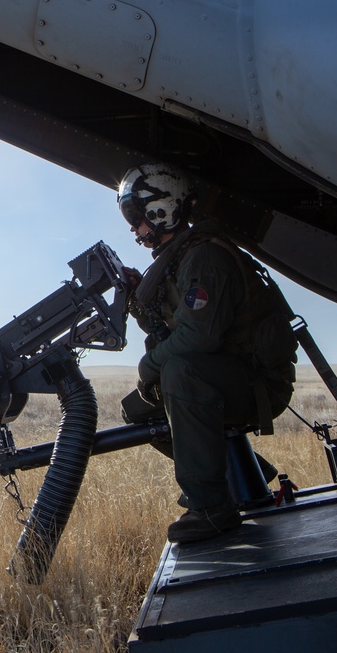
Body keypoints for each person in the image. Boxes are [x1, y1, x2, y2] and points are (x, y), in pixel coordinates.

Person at [116, 163, 298, 543]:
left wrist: (149, 365)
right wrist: (136, 300)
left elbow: (197, 340)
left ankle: (211, 506)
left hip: (259, 384)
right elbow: (172, 329)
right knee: (139, 409)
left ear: (161, 210)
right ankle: (243, 475)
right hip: (231, 374)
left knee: (180, 372)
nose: (134, 228)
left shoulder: (204, 259)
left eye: (137, 217)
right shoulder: (181, 260)